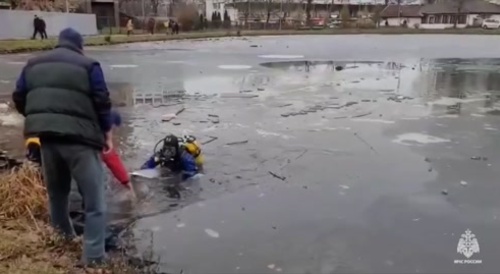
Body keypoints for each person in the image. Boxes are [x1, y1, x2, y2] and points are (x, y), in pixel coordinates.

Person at [12, 28, 113, 267]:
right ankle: (94, 259)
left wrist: (40, 116)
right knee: (95, 201)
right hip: (81, 141)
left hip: (47, 138)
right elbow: (102, 102)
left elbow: (19, 96)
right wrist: (107, 134)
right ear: (80, 46)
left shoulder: (33, 64)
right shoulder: (89, 66)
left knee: (57, 195)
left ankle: (62, 239)